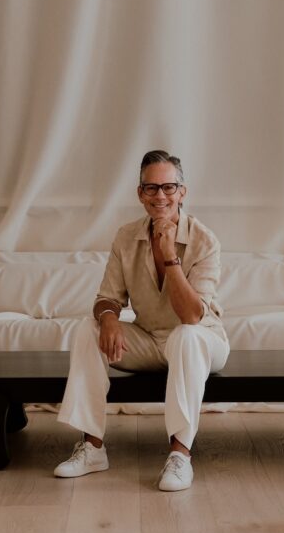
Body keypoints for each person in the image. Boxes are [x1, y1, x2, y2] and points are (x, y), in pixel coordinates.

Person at [55, 150, 229, 491]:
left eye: (168, 187)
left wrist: (168, 256)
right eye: (151, 188)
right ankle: (92, 448)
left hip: (203, 341)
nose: (160, 196)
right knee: (87, 329)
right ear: (140, 194)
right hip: (150, 339)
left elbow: (192, 315)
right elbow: (106, 297)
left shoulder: (205, 241)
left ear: (182, 192)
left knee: (187, 336)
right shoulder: (126, 236)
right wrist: (108, 319)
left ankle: (180, 456)